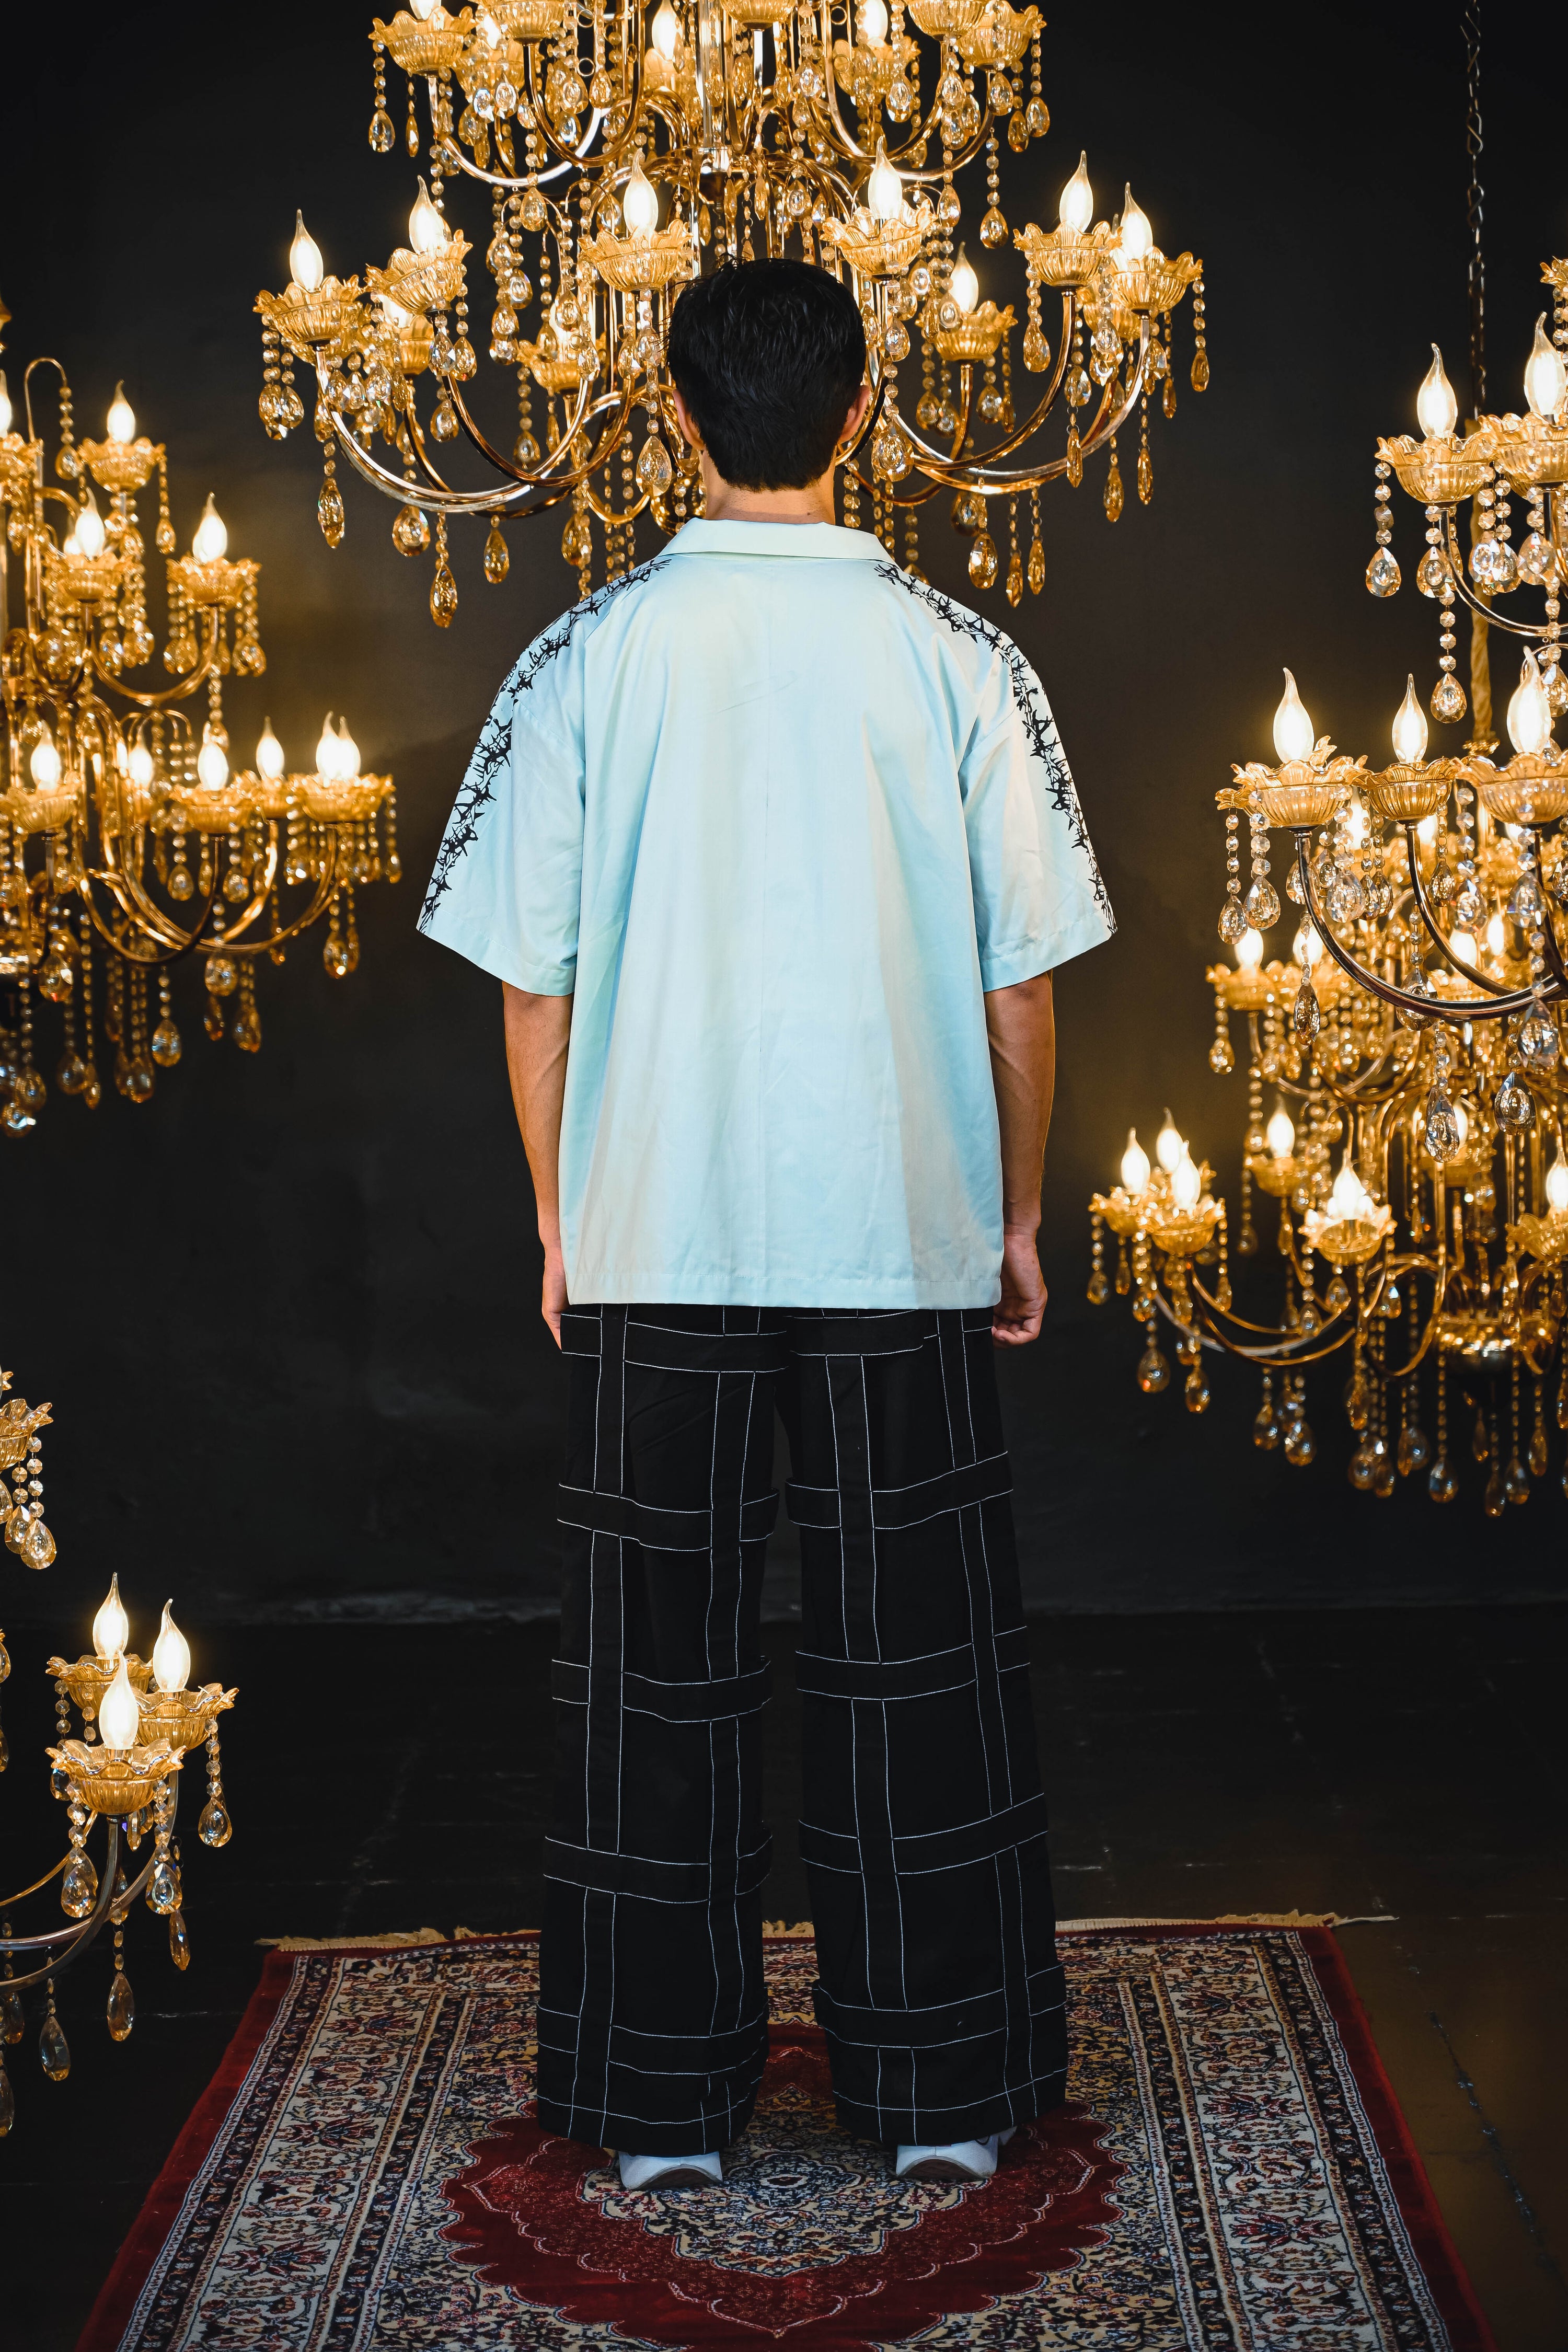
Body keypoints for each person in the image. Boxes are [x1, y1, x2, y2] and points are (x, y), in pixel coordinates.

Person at [420, 257, 1114, 2192]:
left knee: (660, 1672)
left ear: (675, 406)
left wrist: (562, 1212)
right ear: (868, 399)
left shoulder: (583, 655)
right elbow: (1020, 990)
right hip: (904, 1228)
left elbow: (532, 988)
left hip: (657, 1227)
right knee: (922, 1664)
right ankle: (952, 2093)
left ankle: (652, 2111)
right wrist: (1017, 1212)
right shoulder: (962, 659)